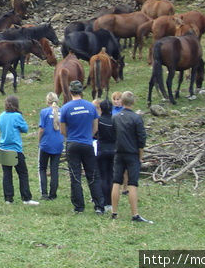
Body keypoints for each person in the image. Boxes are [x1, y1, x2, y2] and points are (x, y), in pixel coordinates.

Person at [59, 80, 104, 214]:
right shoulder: (90, 106)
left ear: (70, 92)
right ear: (81, 92)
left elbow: (62, 130)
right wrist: (87, 136)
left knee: (75, 175)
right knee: (93, 174)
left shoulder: (66, 108)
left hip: (72, 144)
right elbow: (95, 127)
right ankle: (99, 206)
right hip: (87, 143)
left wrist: (72, 137)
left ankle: (79, 207)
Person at [110, 91, 152, 223]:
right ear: (133, 102)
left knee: (116, 182)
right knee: (133, 183)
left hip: (118, 153)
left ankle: (114, 212)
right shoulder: (136, 118)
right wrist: (141, 155)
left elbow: (113, 135)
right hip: (132, 153)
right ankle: (135, 214)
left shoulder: (115, 117)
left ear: (121, 102)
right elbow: (141, 139)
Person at [0, 95, 39, 205]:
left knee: (7, 174)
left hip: (3, 148)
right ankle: (26, 198)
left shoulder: (1, 115)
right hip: (15, 149)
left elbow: (0, 127)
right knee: (23, 173)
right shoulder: (17, 116)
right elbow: (25, 129)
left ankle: (8, 198)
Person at [38, 92, 63, 200]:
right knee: (54, 169)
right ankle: (53, 194)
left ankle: (44, 193)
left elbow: (41, 129)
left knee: (42, 168)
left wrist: (39, 141)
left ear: (47, 101)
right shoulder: (62, 111)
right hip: (58, 143)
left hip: (46, 143)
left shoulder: (44, 112)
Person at [96, 99, 116, 213]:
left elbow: (95, 133)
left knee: (103, 176)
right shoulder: (116, 120)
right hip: (114, 150)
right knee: (111, 176)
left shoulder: (99, 121)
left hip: (102, 150)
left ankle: (103, 201)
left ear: (101, 109)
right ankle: (111, 202)